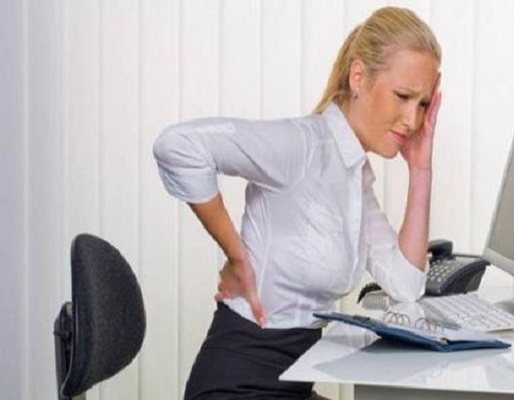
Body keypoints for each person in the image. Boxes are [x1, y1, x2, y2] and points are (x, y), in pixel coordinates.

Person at [153, 6, 441, 400]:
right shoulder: (302, 146)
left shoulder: (353, 175)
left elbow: (405, 285)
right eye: (403, 96)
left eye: (422, 104)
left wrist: (420, 170)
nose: (412, 119)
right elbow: (177, 146)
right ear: (358, 77)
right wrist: (237, 256)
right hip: (238, 386)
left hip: (291, 386)